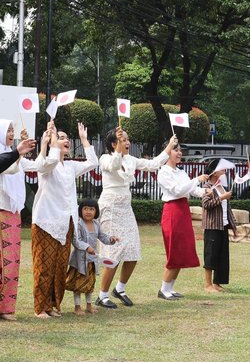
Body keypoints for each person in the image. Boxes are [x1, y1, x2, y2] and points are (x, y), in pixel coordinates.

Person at [96, 128, 177, 308]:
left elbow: (153, 164)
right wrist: (118, 148)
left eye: (127, 139)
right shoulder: (105, 158)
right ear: (113, 143)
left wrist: (170, 145)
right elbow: (114, 165)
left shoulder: (131, 160)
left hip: (126, 209)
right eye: (123, 140)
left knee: (133, 249)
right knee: (113, 253)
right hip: (110, 208)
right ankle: (102, 295)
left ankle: (120, 288)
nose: (127, 143)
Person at [32, 121, 98, 319]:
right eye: (61, 137)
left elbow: (93, 163)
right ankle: (40, 308)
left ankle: (53, 305)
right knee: (44, 267)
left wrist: (85, 140)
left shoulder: (70, 167)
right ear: (52, 141)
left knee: (59, 269)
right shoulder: (45, 163)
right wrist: (50, 142)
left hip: (65, 224)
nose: (66, 140)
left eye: (67, 138)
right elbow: (47, 163)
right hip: (46, 222)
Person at [157, 142, 209, 300]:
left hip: (183, 211)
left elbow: (192, 190)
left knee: (182, 249)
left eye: (180, 150)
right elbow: (178, 190)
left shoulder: (181, 172)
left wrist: (206, 191)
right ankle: (164, 289)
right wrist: (197, 179)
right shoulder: (164, 172)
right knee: (174, 250)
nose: (179, 153)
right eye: (175, 150)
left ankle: (170, 288)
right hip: (172, 211)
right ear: (167, 152)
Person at [0, 121, 37, 321]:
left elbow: (38, 165)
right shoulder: (9, 156)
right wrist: (17, 152)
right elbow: (5, 167)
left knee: (11, 261)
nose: (11, 133)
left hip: (11, 212)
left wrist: (48, 143)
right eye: (8, 130)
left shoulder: (14, 156)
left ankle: (6, 307)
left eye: (12, 130)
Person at [66, 198, 119, 316]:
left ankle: (89, 306)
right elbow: (76, 240)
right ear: (80, 210)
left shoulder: (96, 224)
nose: (88, 212)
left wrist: (111, 239)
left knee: (90, 283)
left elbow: (102, 236)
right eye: (85, 209)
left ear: (96, 211)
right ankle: (77, 307)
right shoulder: (78, 224)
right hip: (80, 261)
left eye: (91, 209)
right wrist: (86, 247)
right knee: (78, 284)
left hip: (91, 261)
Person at [202, 159, 237, 292]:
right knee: (210, 254)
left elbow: (228, 209)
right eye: (221, 169)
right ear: (214, 172)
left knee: (222, 255)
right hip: (212, 226)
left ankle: (217, 283)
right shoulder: (206, 187)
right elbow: (206, 205)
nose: (224, 171)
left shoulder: (221, 187)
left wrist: (233, 226)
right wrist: (222, 198)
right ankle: (207, 284)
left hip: (223, 225)